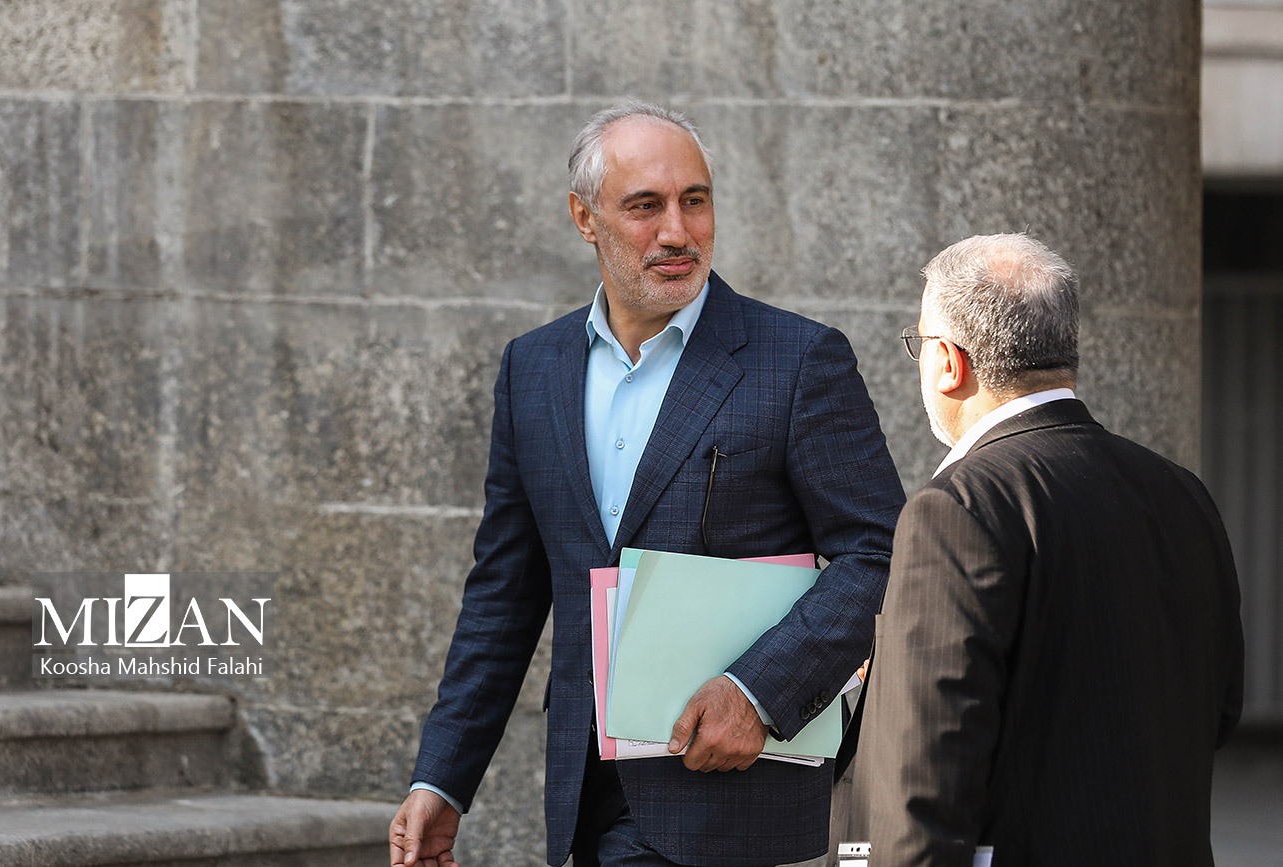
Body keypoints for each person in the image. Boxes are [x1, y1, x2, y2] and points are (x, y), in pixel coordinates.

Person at [389, 99, 905, 867]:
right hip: (584, 803)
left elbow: (883, 554)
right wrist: (443, 777)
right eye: (644, 206)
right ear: (584, 217)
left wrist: (759, 690)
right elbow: (504, 594)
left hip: (732, 799)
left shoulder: (799, 361)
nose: (677, 231)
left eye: (695, 201)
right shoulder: (533, 370)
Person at [846, 233, 1245, 865]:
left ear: (948, 361)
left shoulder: (956, 508)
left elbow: (922, 782)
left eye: (918, 343)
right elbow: (1220, 710)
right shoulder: (1183, 493)